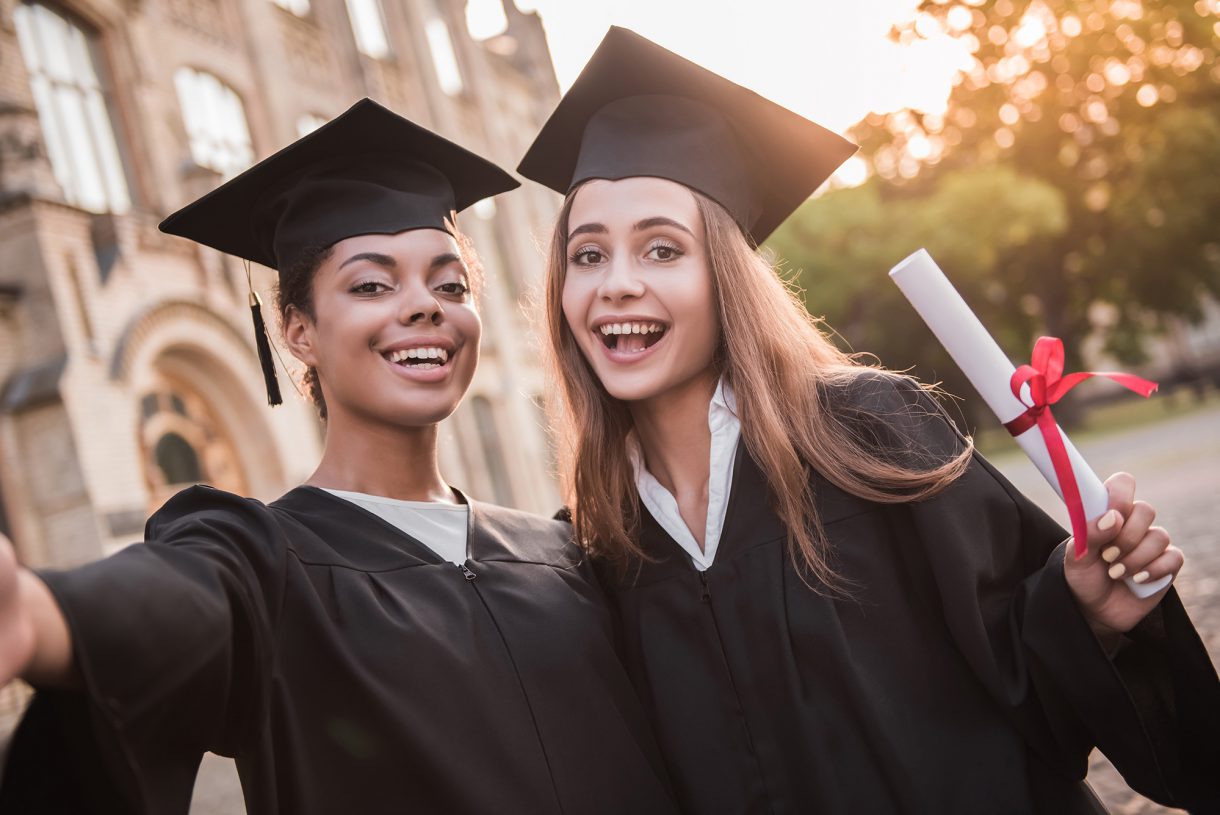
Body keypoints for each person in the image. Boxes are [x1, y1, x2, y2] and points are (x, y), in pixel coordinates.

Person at [518, 27, 1220, 814]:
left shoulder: (866, 432)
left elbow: (1020, 676)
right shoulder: (597, 548)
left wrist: (1087, 612)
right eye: (587, 255)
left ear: (727, 275)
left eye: (660, 249)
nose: (615, 283)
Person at [0, 99, 677, 815]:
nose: (424, 306)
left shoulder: (564, 552)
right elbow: (179, 599)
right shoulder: (264, 563)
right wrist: (39, 614)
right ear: (297, 331)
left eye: (450, 284)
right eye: (370, 284)